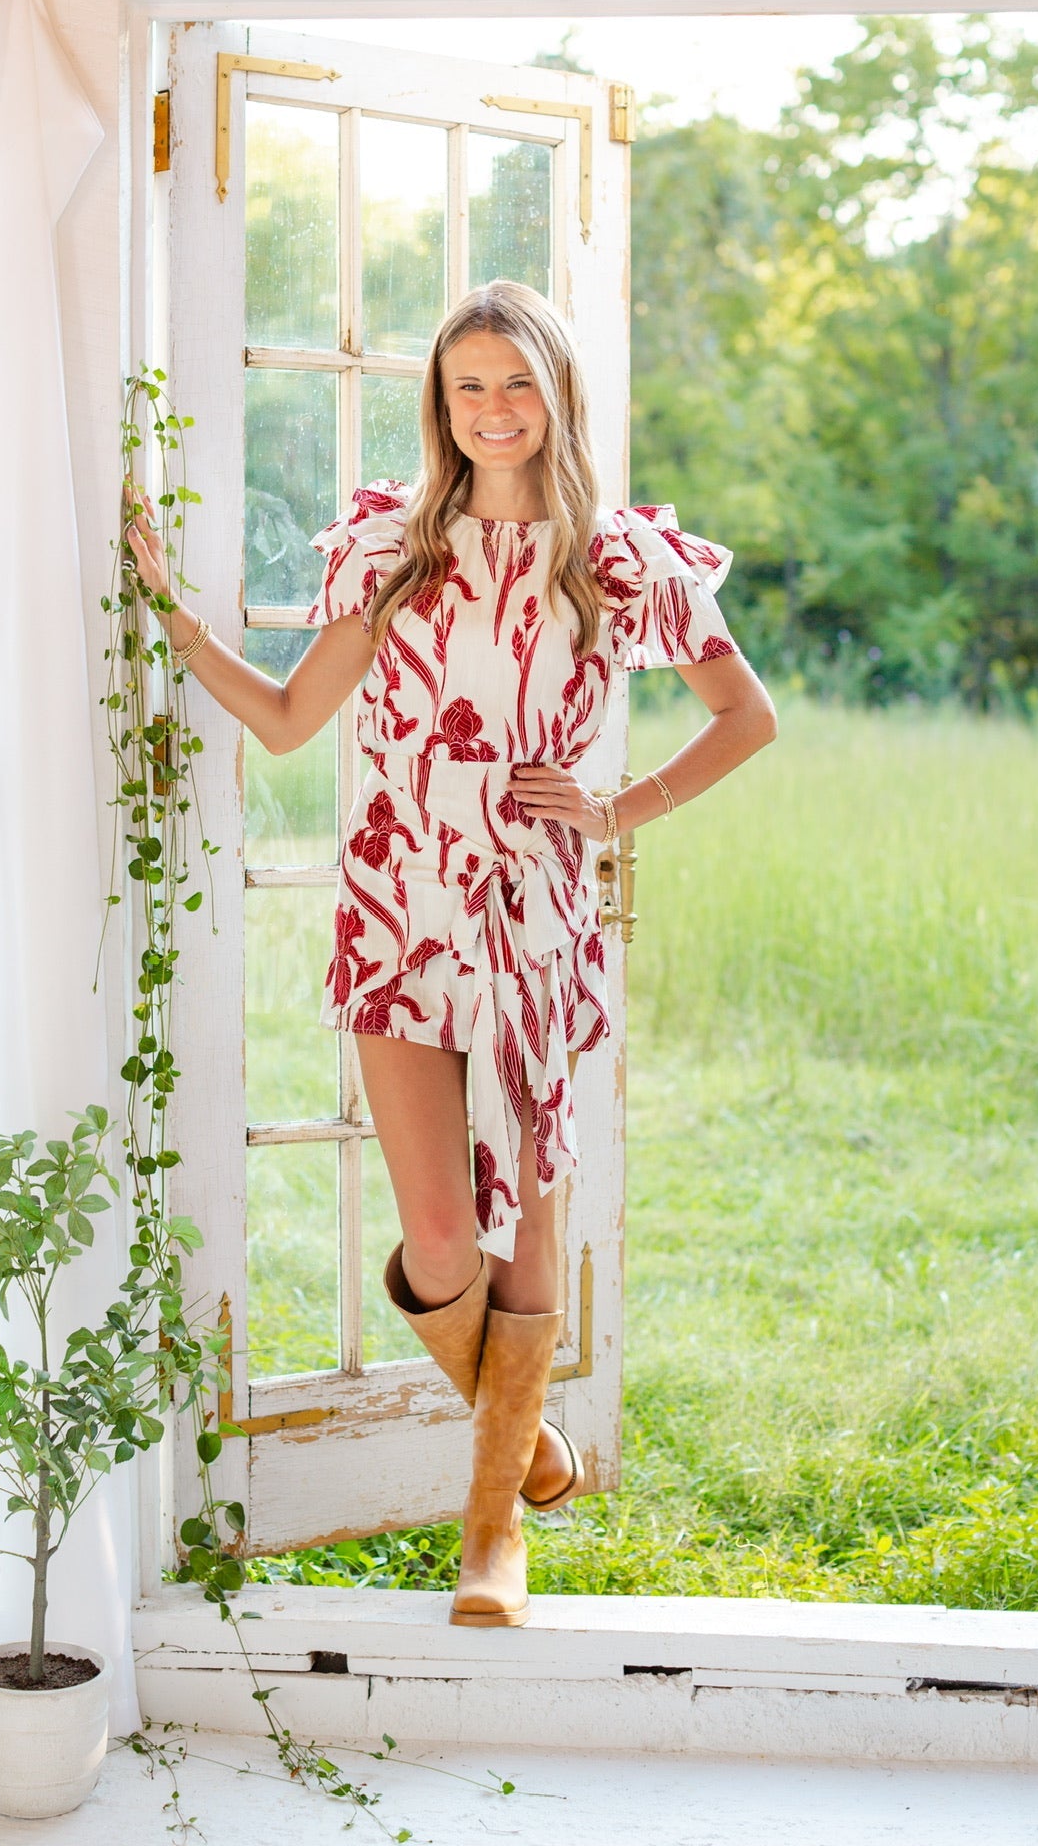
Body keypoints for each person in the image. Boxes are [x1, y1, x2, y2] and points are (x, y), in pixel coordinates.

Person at [126, 279, 776, 1627]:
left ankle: (493, 1537)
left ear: (557, 399)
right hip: (394, 908)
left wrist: (615, 808)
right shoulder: (390, 549)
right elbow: (299, 720)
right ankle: (532, 1452)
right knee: (437, 1237)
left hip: (537, 919)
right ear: (442, 402)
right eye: (468, 386)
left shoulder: (617, 562)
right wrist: (181, 629)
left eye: (516, 385)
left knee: (524, 1219)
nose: (492, 411)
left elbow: (745, 714)